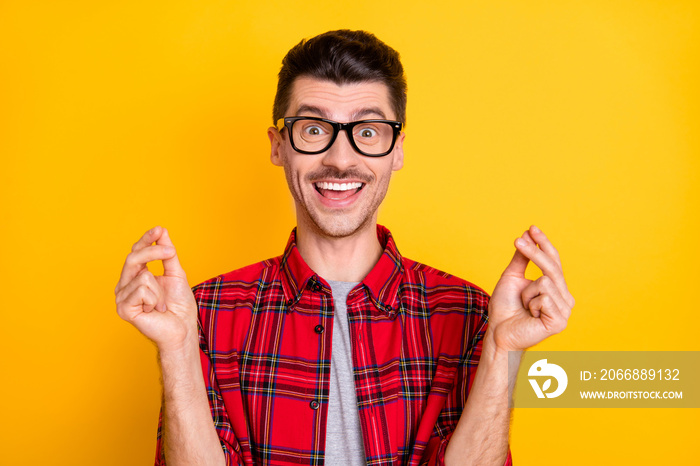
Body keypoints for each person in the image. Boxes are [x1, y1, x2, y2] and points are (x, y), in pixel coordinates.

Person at [115, 29, 574, 466]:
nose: (340, 158)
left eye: (368, 132)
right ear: (278, 146)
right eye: (314, 130)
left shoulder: (471, 313)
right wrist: (177, 350)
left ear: (397, 150)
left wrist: (501, 351)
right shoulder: (207, 313)